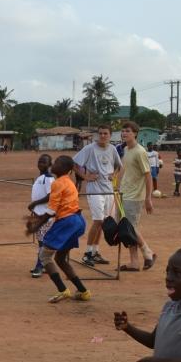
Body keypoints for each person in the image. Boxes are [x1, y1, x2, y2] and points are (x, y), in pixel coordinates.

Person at [26, 155, 90, 303]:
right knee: (60, 259)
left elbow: (51, 211)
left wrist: (37, 225)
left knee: (44, 256)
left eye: (57, 163)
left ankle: (63, 290)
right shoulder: (68, 182)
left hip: (67, 222)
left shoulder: (58, 183)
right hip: (78, 221)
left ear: (65, 168)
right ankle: (83, 291)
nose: (54, 164)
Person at [72, 124, 122, 267]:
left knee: (104, 222)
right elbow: (74, 164)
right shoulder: (89, 149)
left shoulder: (112, 149)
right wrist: (85, 176)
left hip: (109, 190)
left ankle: (95, 252)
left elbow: (119, 165)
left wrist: (114, 175)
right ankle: (87, 254)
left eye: (105, 133)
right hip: (94, 190)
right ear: (97, 135)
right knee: (98, 220)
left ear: (110, 135)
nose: (102, 136)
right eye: (100, 133)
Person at [119, 121, 156, 271]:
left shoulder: (140, 152)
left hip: (135, 196)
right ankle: (134, 262)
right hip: (125, 193)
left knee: (130, 228)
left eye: (127, 131)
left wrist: (148, 198)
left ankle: (148, 253)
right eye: (123, 131)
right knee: (126, 229)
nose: (124, 133)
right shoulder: (127, 150)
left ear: (135, 133)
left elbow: (148, 176)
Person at [26, 154, 55, 278]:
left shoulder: (48, 179)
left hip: (45, 215)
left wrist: (35, 203)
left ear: (50, 165)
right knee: (41, 241)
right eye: (39, 161)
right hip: (39, 213)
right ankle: (43, 264)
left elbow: (50, 196)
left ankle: (40, 266)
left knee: (42, 242)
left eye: (44, 162)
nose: (40, 164)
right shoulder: (41, 178)